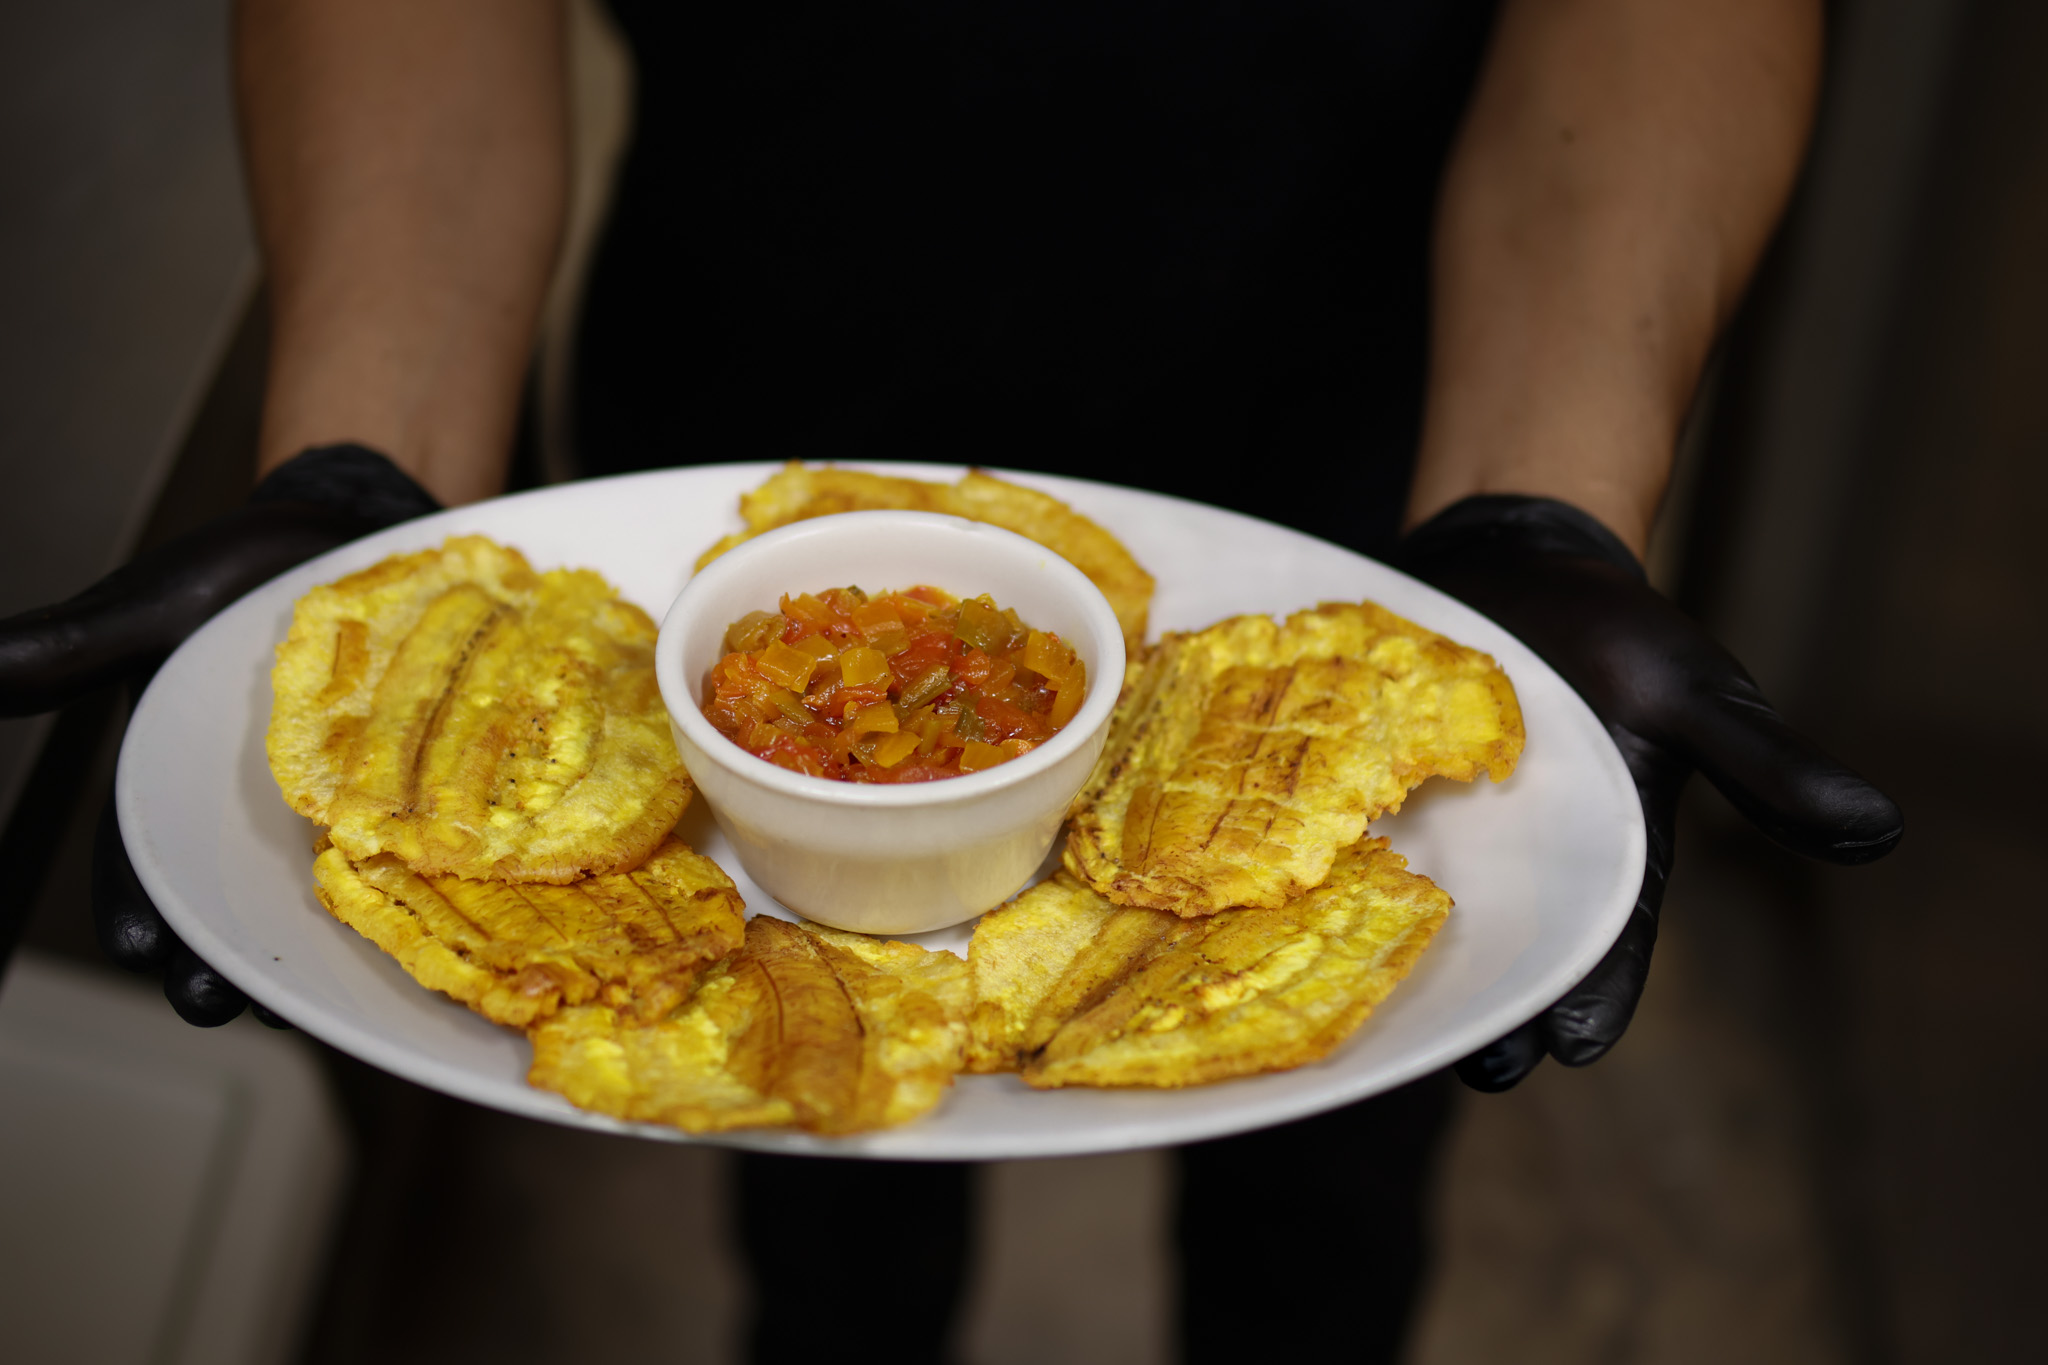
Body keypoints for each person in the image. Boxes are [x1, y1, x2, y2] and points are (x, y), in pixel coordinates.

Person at [0, 0, 1901, 1360]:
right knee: (814, 1155)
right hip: (738, 415)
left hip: (1361, 452)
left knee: (1334, 1163)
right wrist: (372, 472)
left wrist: (1540, 489)